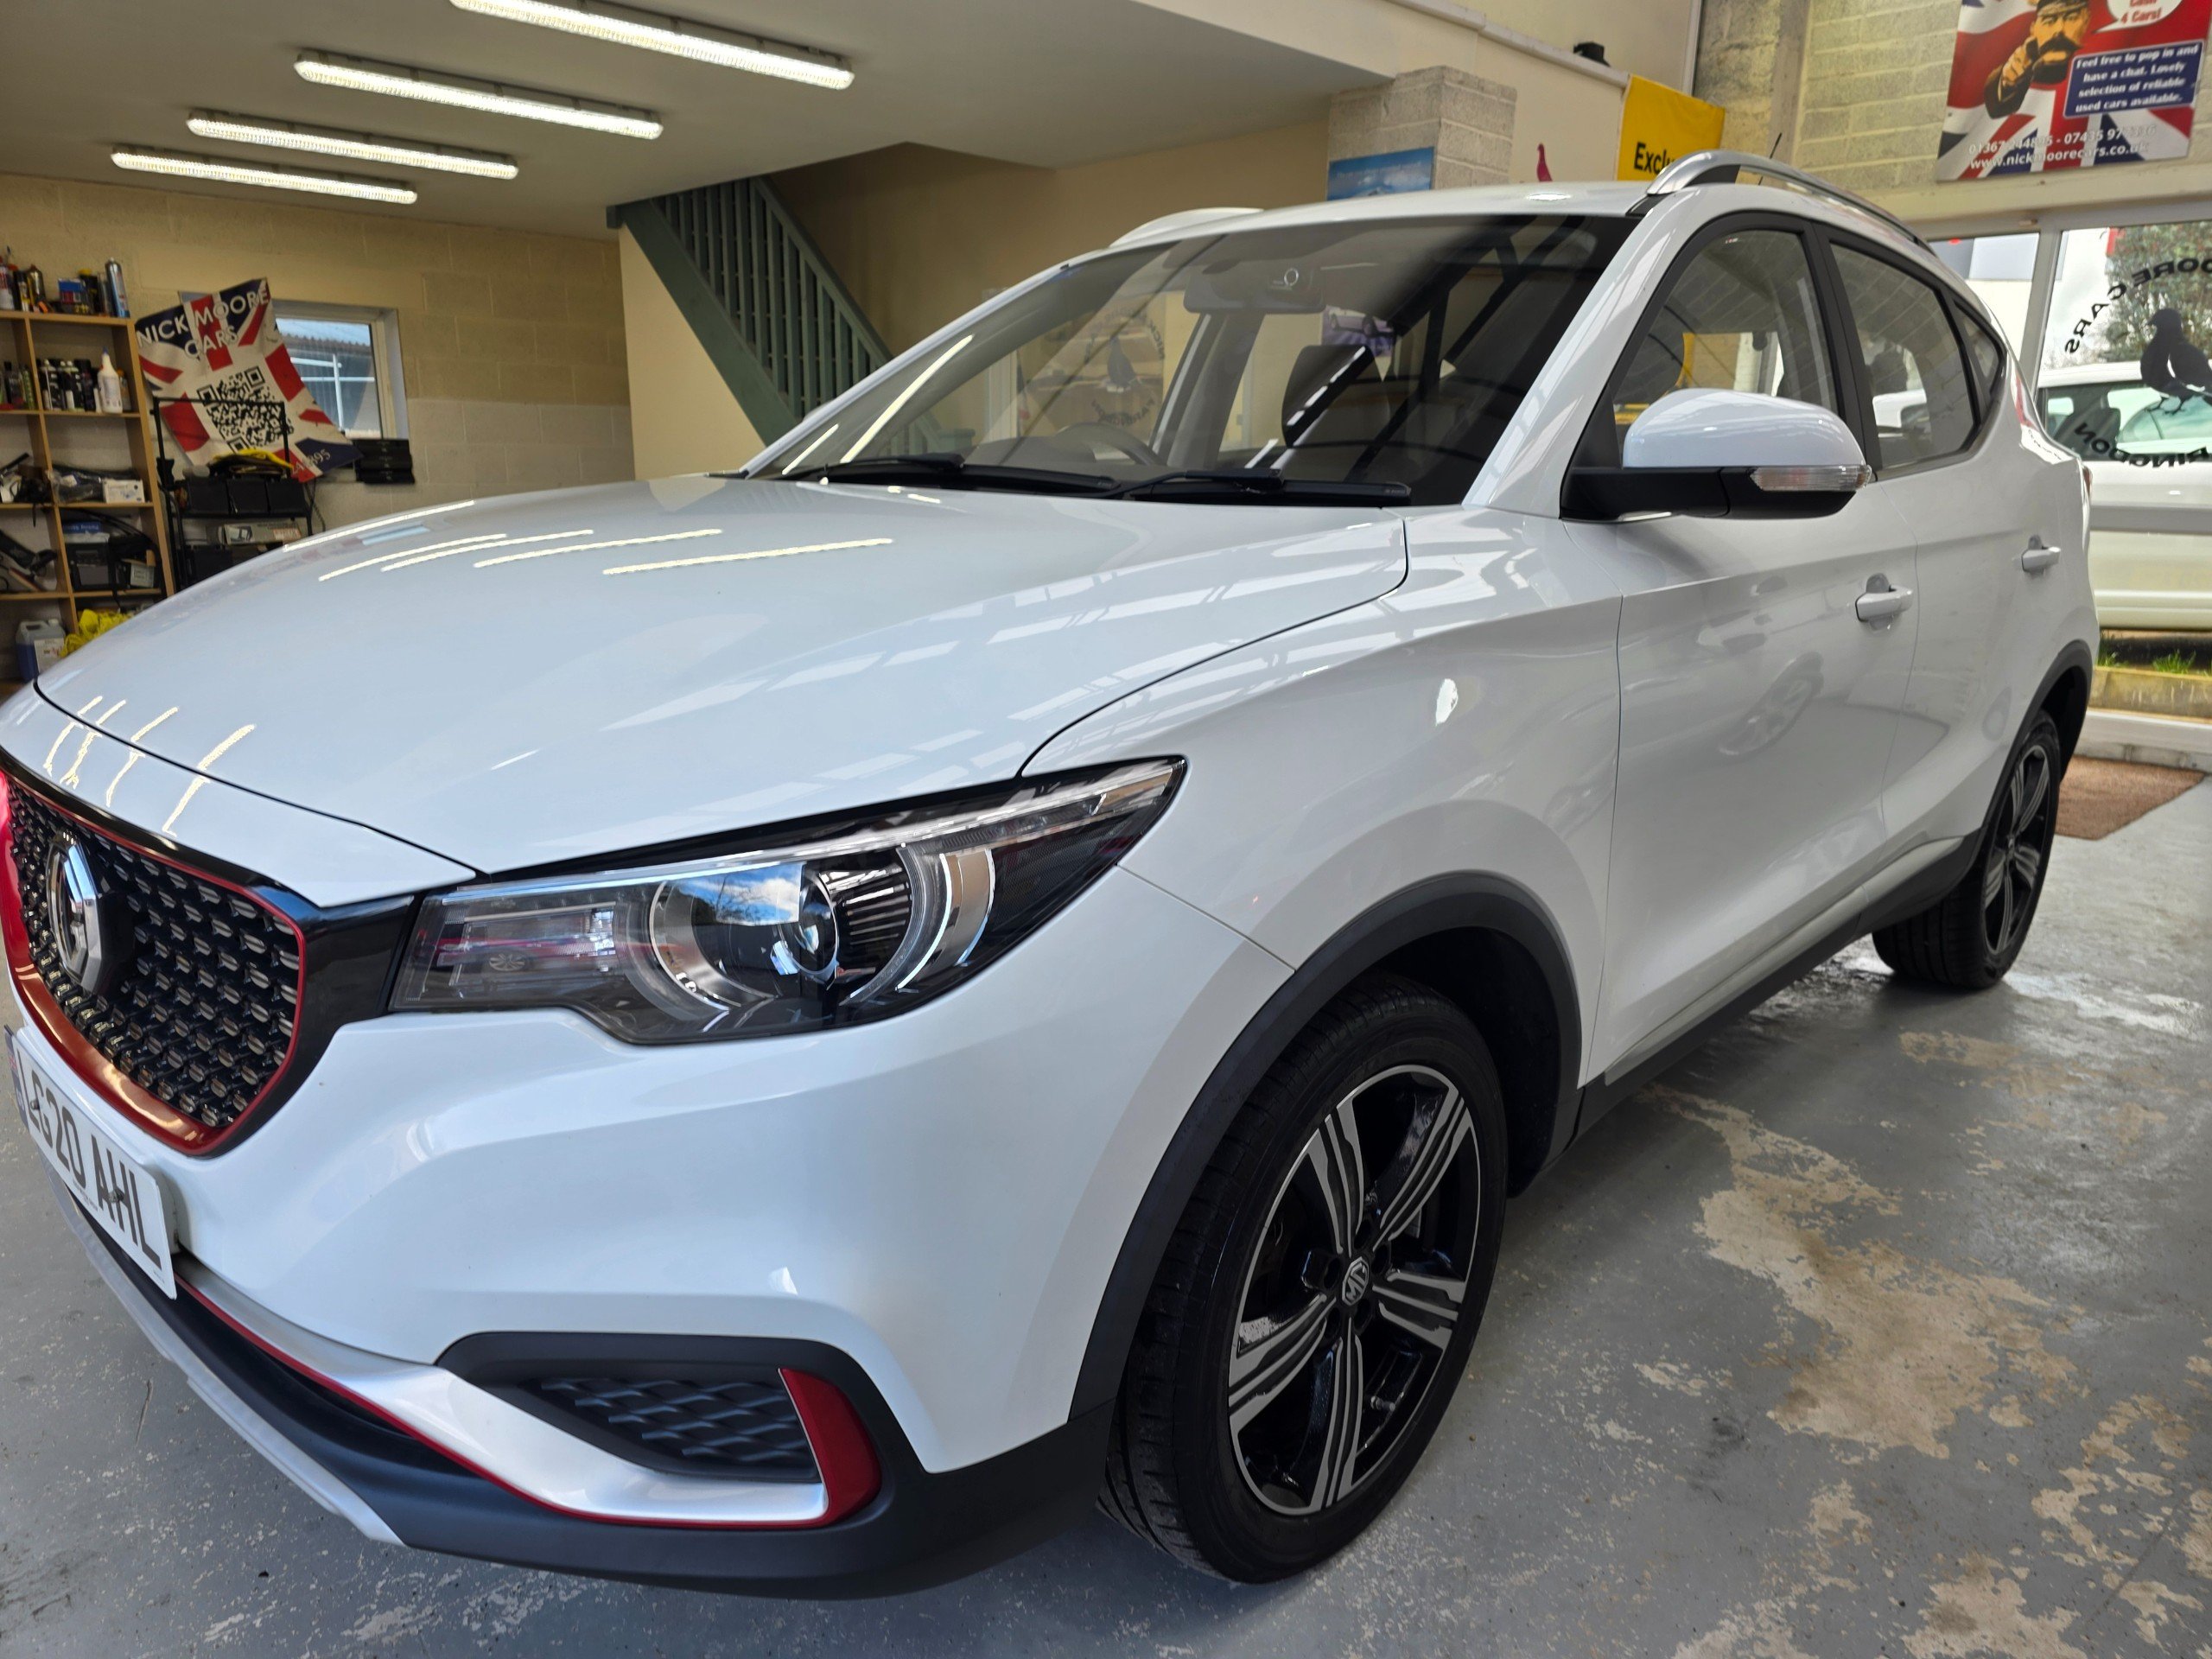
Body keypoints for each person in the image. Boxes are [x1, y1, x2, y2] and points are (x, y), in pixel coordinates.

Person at [1984, 0, 2091, 118]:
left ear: (2086, 21)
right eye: (2049, 21)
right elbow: (1996, 110)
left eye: (2071, 18)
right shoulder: (2023, 66)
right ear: (2033, 29)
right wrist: (2007, 82)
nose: (2059, 30)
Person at [2139, 308, 2212, 411]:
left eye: (2159, 322)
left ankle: (2180, 403)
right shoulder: (2166, 349)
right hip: (2178, 394)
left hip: (2195, 398)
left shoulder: (2182, 352)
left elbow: (2203, 384)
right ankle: (2171, 402)